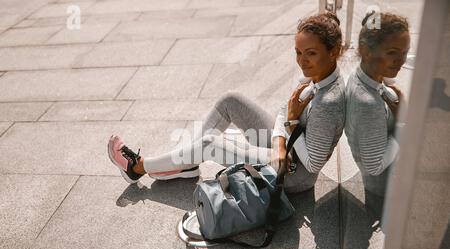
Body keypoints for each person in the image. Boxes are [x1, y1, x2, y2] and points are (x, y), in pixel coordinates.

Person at [108, 12, 346, 194]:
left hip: (294, 173)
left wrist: (291, 124)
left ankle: (137, 167)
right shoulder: (316, 73)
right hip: (284, 146)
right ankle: (187, 163)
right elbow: (286, 109)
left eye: (311, 53)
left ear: (333, 51)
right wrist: (281, 140)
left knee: (211, 144)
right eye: (298, 52)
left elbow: (313, 164)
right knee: (231, 100)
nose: (302, 61)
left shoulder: (329, 102)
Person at [345, 11, 410, 218]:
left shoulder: (364, 74)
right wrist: (402, 124)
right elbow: (374, 167)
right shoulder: (368, 103)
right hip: (384, 184)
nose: (401, 61)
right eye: (392, 52)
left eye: (404, 53)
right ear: (366, 50)